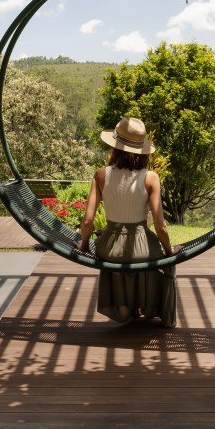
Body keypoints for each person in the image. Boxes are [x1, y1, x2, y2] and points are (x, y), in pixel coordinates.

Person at [79, 117, 176, 327]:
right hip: (141, 247)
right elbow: (161, 226)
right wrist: (169, 251)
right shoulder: (151, 178)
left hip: (108, 248)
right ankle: (145, 306)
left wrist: (84, 245)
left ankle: (126, 307)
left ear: (114, 148)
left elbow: (87, 221)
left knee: (123, 260)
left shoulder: (101, 175)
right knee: (157, 259)